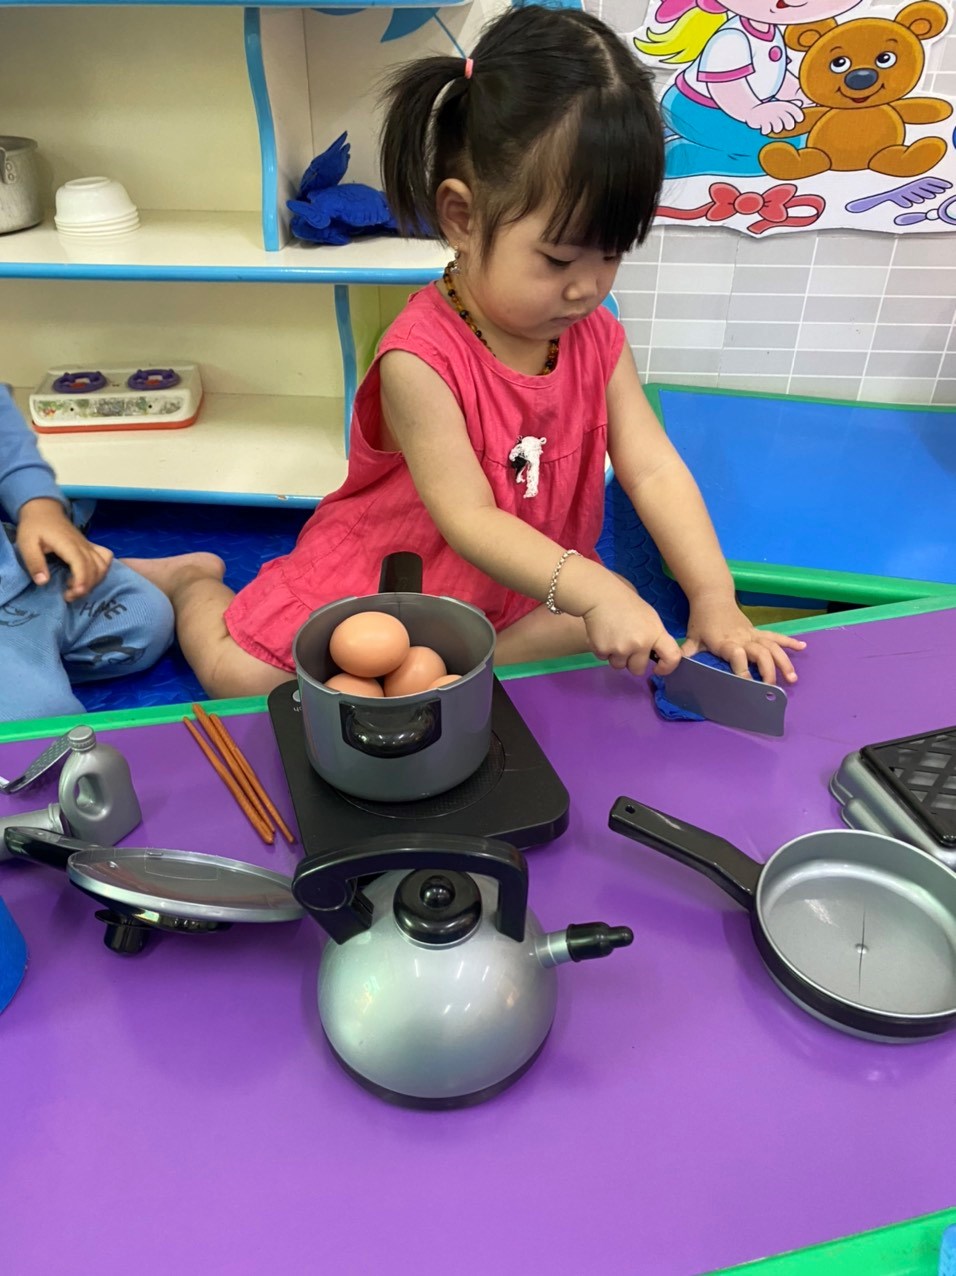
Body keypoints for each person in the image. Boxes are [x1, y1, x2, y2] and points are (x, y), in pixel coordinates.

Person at [132, 4, 805, 699]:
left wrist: (714, 599)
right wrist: (594, 587)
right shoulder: (419, 357)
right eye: (557, 258)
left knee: (588, 630)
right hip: (396, 576)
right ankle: (192, 583)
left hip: (520, 581)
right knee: (248, 680)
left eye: (611, 255)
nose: (586, 287)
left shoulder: (597, 337)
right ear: (461, 215)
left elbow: (654, 469)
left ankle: (474, 651)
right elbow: (470, 519)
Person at [0, 385, 174, 722]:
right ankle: (30, 674)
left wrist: (39, 507)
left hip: (14, 571)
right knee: (43, 720)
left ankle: (35, 665)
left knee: (149, 619)